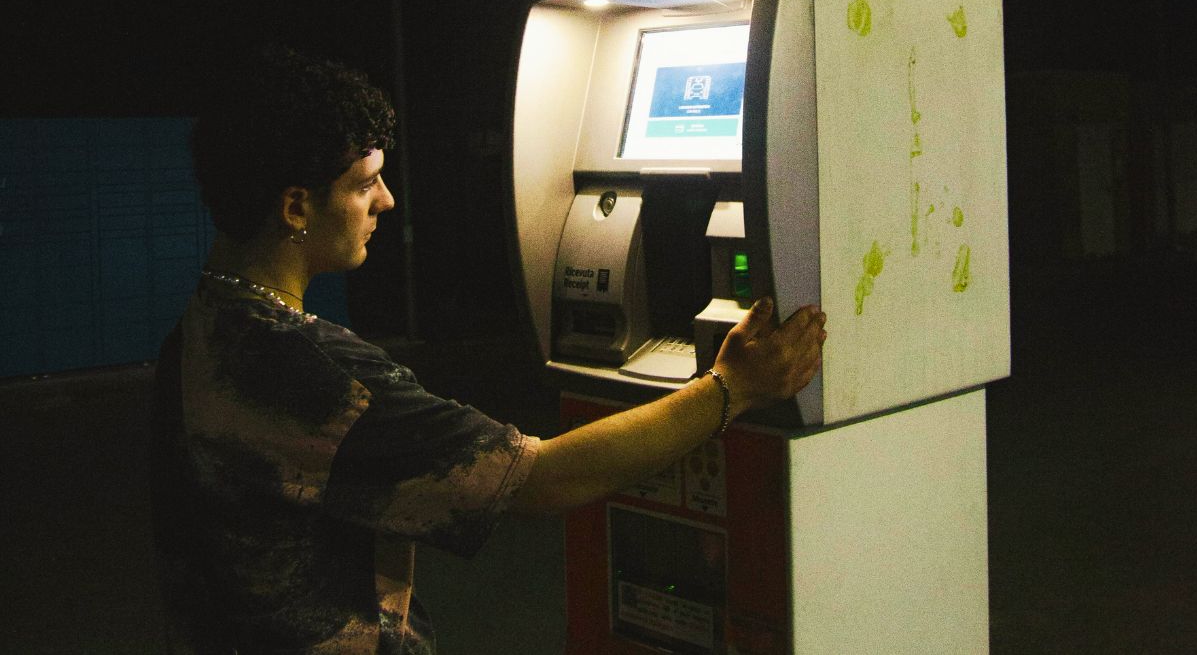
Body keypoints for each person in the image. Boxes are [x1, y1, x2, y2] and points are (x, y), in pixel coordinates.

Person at [150, 47, 826, 654]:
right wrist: (729, 388)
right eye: (364, 184)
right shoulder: (318, 377)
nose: (385, 200)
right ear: (296, 206)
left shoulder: (202, 330)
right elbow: (539, 478)